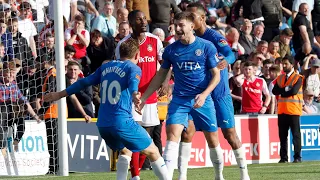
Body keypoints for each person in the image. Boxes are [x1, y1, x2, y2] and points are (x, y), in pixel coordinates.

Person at [43, 39, 168, 180]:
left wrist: (60, 94)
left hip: (103, 124)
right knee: (154, 151)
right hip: (121, 123)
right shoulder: (133, 68)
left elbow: (83, 82)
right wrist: (134, 94)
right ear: (137, 55)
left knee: (126, 151)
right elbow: (134, 82)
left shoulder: (106, 67)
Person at [134, 11, 221, 180]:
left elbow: (216, 75)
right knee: (172, 135)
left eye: (181, 25)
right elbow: (160, 75)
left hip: (202, 99)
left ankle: (219, 176)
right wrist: (144, 98)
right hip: (180, 100)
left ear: (191, 26)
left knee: (213, 139)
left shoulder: (206, 47)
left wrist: (204, 95)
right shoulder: (171, 50)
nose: (178, 28)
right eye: (176, 25)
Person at [186, 3, 250, 180]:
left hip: (219, 94)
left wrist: (225, 60)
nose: (189, 20)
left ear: (202, 18)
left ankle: (244, 174)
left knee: (230, 134)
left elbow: (230, 54)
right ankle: (218, 175)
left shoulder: (213, 36)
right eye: (187, 17)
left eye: (192, 17)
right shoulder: (188, 38)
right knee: (207, 135)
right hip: (201, 94)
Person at [115, 10, 163, 180]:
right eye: (139, 19)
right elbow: (118, 71)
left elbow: (163, 66)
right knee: (133, 138)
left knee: (146, 139)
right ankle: (135, 176)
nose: (143, 21)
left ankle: (136, 173)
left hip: (149, 97)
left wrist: (164, 83)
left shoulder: (154, 40)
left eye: (144, 18)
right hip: (131, 98)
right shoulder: (123, 44)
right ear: (130, 22)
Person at [272, 55, 303, 163]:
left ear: (292, 64)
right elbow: (274, 91)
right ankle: (283, 158)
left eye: (286, 64)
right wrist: (285, 90)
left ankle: (297, 157)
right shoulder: (280, 77)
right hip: (282, 110)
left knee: (296, 135)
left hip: (293, 110)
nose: (284, 66)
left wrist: (283, 91)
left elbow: (293, 91)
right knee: (282, 136)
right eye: (283, 64)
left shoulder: (298, 77)